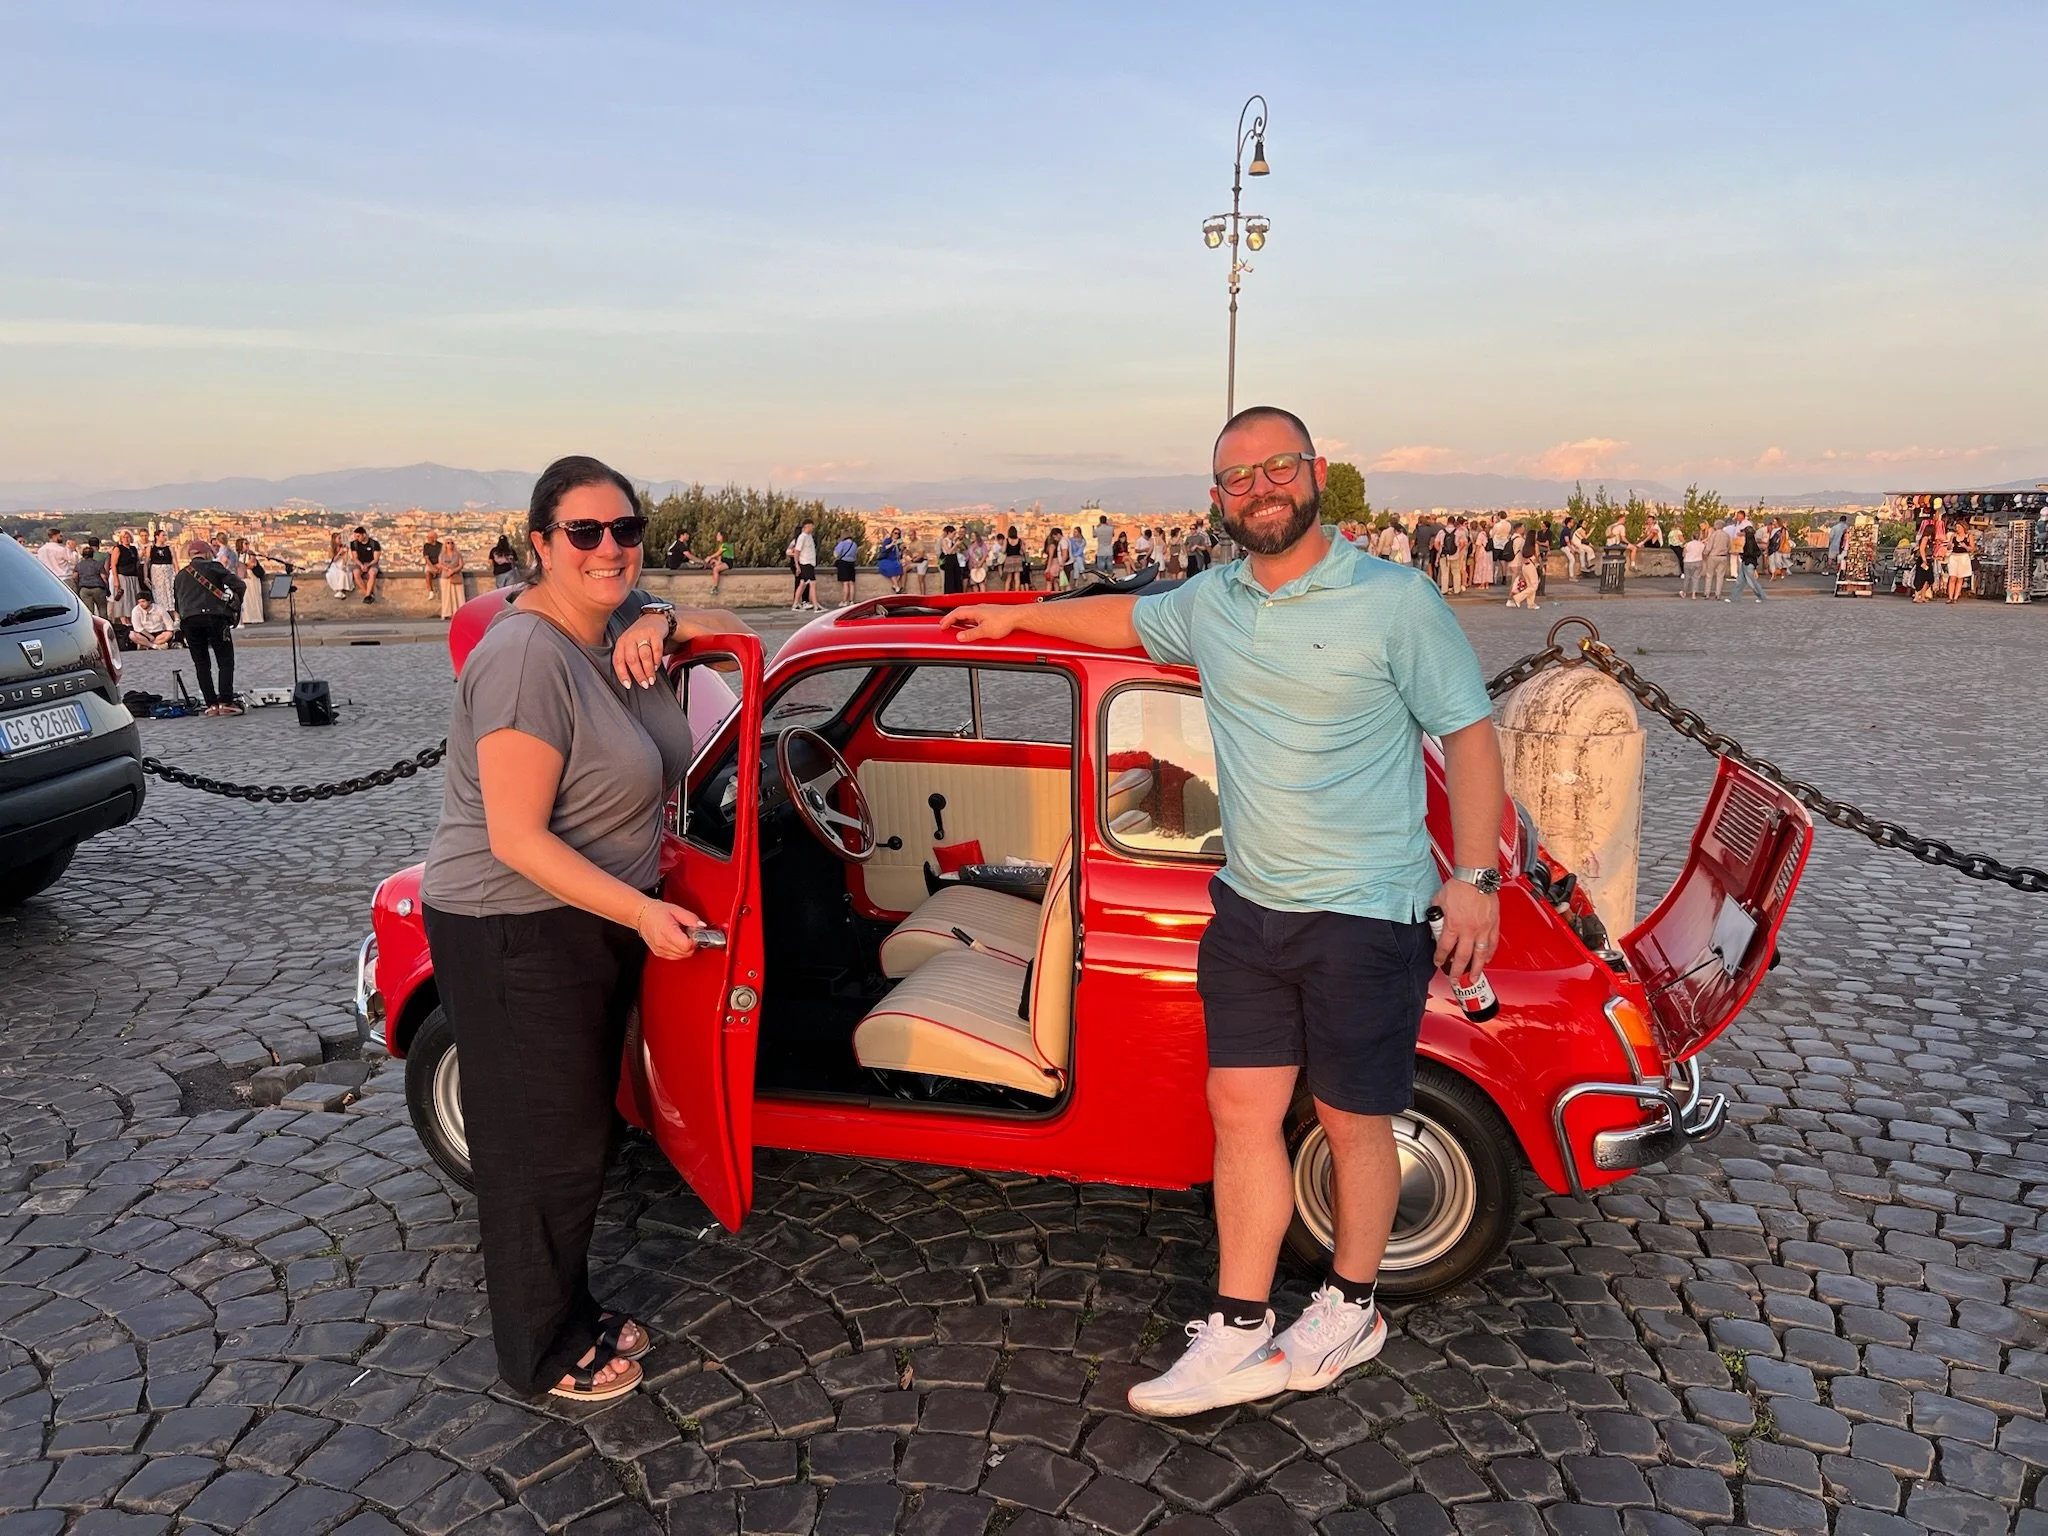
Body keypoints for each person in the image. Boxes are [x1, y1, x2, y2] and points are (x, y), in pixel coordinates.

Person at [944, 406, 1503, 1416]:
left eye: (1276, 468)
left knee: (1351, 1121)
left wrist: (1473, 877)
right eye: (1237, 479)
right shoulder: (1212, 601)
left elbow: (1465, 734)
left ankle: (1350, 1305)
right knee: (1238, 1114)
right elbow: (1118, 619)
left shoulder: (1395, 600)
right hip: (1247, 907)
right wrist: (1013, 615)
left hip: (1365, 913)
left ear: (1314, 473)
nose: (1259, 489)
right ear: (1217, 500)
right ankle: (1240, 1327)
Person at [418, 454, 751, 1404]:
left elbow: (745, 632)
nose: (611, 548)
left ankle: (569, 1305)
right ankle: (538, 1351)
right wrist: (646, 913)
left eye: (626, 530)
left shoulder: (617, 620)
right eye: (586, 533)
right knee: (539, 1151)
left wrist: (663, 618)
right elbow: (518, 839)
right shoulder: (526, 658)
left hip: (586, 918)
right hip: (515, 926)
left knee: (578, 1136)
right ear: (540, 545)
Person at [174, 539, 246, 715]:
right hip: (215, 617)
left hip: (189, 621)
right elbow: (239, 584)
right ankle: (226, 702)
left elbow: (177, 605)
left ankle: (211, 705)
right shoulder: (213, 566)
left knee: (201, 663)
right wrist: (235, 603)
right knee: (225, 660)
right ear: (206, 554)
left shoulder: (180, 575)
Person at [73, 539, 111, 617]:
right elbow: (104, 577)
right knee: (102, 610)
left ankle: (92, 627)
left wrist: (78, 584)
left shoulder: (79, 565)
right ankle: (104, 626)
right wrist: (107, 589)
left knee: (89, 613)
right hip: (98, 588)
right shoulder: (98, 564)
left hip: (84, 588)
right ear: (92, 554)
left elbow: (74, 576)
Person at [110, 531, 142, 620]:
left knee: (133, 599)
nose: (126, 539)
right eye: (124, 537)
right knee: (124, 600)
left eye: (128, 537)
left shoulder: (133, 549)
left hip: (133, 576)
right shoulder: (118, 549)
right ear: (121, 539)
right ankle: (124, 621)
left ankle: (132, 619)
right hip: (122, 576)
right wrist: (116, 580)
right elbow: (113, 565)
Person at [788, 519, 819, 611]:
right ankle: (816, 605)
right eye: (811, 526)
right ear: (807, 526)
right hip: (805, 563)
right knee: (812, 583)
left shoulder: (809, 537)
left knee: (803, 583)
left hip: (810, 563)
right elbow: (797, 552)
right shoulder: (802, 537)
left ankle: (795, 604)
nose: (813, 528)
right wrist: (797, 565)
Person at [1733, 522, 1767, 602]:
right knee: (1740, 581)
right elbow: (1757, 552)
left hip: (1748, 563)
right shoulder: (1752, 541)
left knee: (1752, 582)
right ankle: (1734, 597)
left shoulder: (1749, 543)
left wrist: (1741, 553)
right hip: (1747, 563)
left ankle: (1762, 596)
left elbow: (1750, 553)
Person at [235, 539, 266, 626]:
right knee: (246, 598)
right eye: (245, 543)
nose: (247, 545)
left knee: (253, 596)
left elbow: (252, 564)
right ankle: (246, 618)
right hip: (243, 577)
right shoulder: (237, 555)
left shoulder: (250, 554)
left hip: (251, 577)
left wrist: (243, 566)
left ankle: (255, 617)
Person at [350, 525, 382, 603]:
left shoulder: (374, 544)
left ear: (364, 534)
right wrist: (361, 565)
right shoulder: (354, 544)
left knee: (372, 572)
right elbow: (355, 558)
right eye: (355, 536)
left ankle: (367, 595)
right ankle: (368, 594)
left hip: (371, 563)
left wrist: (368, 565)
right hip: (360, 563)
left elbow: (376, 559)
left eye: (358, 536)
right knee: (356, 573)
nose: (356, 538)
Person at [150, 529, 180, 609]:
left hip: (168, 572)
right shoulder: (151, 548)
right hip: (157, 572)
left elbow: (174, 561)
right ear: (157, 537)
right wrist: (146, 576)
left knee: (170, 590)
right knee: (159, 591)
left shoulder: (169, 548)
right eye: (163, 535)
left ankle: (172, 609)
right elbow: (147, 563)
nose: (164, 537)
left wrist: (177, 573)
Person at [1702, 520, 1732, 600]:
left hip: (1713, 556)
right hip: (1723, 556)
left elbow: (1709, 546)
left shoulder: (1714, 534)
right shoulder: (1726, 535)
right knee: (1720, 576)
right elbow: (1729, 546)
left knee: (1709, 575)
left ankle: (1707, 593)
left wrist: (1705, 553)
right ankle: (1718, 594)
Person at [1944, 523, 1973, 604]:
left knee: (1960, 578)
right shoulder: (1953, 536)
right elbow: (1949, 547)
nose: (1957, 528)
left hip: (1963, 557)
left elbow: (1972, 548)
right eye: (1956, 527)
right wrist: (1950, 545)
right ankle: (1950, 597)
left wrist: (1965, 547)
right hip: (1954, 556)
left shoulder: (1968, 536)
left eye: (1959, 527)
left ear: (1963, 528)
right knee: (1952, 577)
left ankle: (1956, 597)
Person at [438, 537, 466, 619]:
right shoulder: (442, 555)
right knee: (446, 596)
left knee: (459, 595)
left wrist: (453, 571)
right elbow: (440, 564)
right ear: (445, 545)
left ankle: (459, 612)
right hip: (445, 576)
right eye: (448, 543)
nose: (450, 544)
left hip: (456, 575)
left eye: (451, 543)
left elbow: (461, 564)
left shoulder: (457, 554)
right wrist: (448, 570)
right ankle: (447, 613)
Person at [832, 531, 859, 606]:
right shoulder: (854, 544)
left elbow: (836, 554)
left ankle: (844, 601)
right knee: (851, 583)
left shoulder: (842, 544)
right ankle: (851, 601)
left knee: (845, 583)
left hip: (843, 563)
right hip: (851, 564)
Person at [325, 530, 354, 598]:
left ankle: (340, 591)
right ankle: (340, 591)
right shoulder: (331, 548)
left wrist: (344, 563)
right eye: (339, 538)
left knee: (343, 572)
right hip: (335, 564)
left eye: (341, 538)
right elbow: (334, 560)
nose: (340, 539)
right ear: (334, 540)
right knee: (334, 573)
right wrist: (339, 553)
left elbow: (345, 559)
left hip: (341, 563)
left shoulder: (343, 546)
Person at [877, 528, 905, 593]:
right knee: (891, 568)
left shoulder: (899, 542)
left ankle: (894, 585)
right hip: (885, 559)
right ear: (892, 533)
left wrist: (902, 548)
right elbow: (885, 548)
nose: (896, 535)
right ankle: (897, 587)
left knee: (900, 569)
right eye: (895, 533)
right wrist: (892, 544)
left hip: (894, 560)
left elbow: (899, 553)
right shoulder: (888, 540)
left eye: (898, 534)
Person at [939, 525, 963, 595]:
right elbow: (949, 552)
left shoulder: (952, 540)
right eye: (953, 534)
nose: (954, 535)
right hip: (948, 560)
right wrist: (955, 545)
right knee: (950, 578)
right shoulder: (944, 541)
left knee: (956, 577)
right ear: (949, 533)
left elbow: (955, 551)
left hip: (954, 559)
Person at [1681, 530, 1705, 598]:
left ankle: (1684, 593)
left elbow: (1683, 554)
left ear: (1692, 536)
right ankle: (1693, 594)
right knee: (1696, 578)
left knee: (1687, 578)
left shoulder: (1688, 544)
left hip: (1688, 562)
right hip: (1698, 561)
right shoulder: (1702, 545)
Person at [1002, 525, 1025, 591]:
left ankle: (1006, 594)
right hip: (1018, 559)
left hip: (1009, 559)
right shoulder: (1019, 540)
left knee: (1008, 579)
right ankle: (1017, 593)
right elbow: (1023, 551)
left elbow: (1003, 550)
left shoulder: (1006, 540)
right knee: (1017, 578)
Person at [423, 531, 444, 598]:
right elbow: (426, 558)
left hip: (439, 563)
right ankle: (431, 591)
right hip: (430, 564)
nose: (427, 538)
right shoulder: (426, 546)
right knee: (427, 573)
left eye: (429, 537)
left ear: (434, 538)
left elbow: (443, 557)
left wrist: (439, 567)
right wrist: (432, 568)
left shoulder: (441, 546)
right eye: (427, 537)